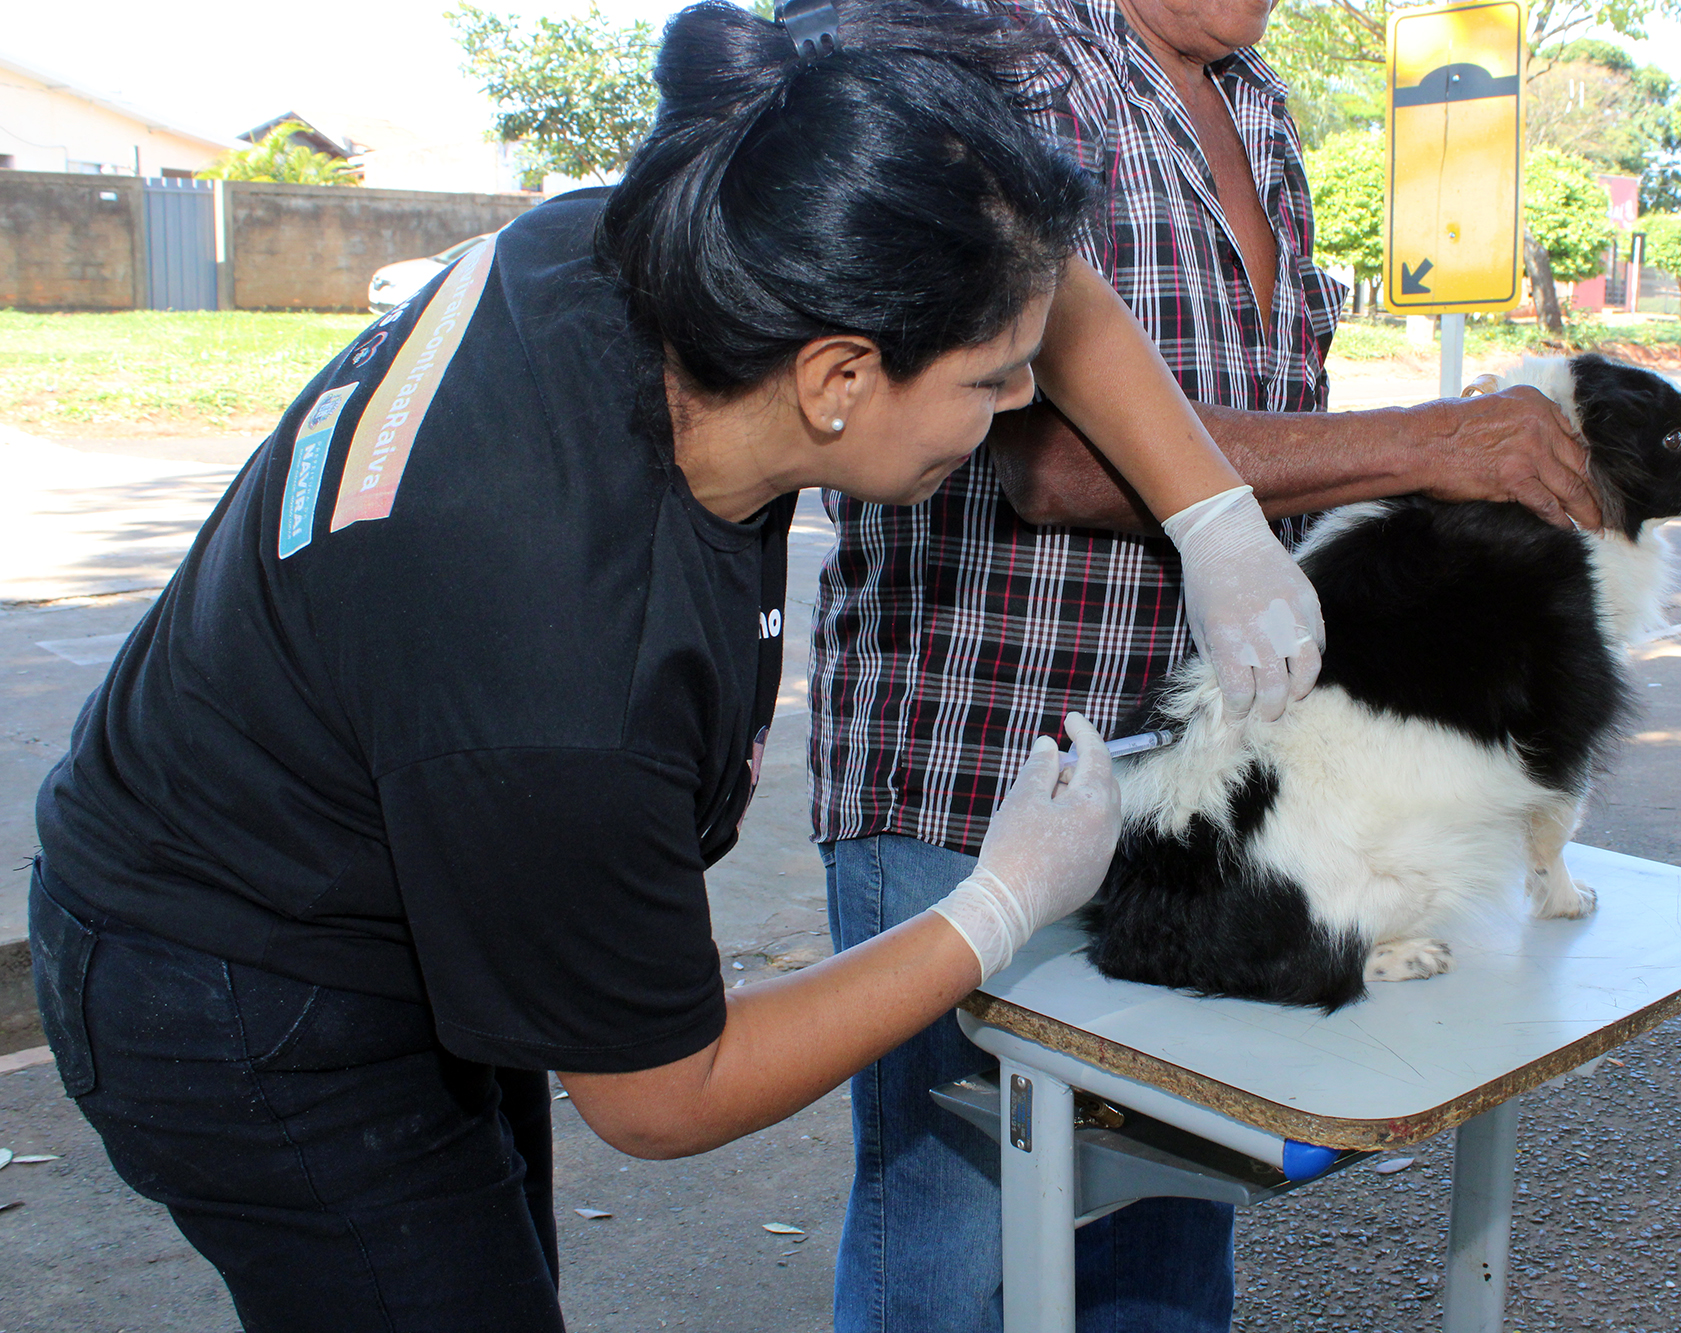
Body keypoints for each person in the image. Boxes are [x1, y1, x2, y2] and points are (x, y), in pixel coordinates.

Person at [26, 3, 1325, 1329]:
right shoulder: (566, 651)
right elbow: (662, 1093)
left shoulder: (678, 249)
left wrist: (1209, 513)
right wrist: (996, 905)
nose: (1012, 415)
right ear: (839, 377)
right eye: (991, 384)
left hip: (396, 859)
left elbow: (1038, 287)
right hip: (239, 980)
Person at [809, 0, 1604, 1328]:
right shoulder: (1007, 59)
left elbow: (1281, 440)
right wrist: (1432, 442)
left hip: (1210, 794)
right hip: (972, 774)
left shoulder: (1262, 114)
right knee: (951, 1240)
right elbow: (1047, 462)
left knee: (1167, 1222)